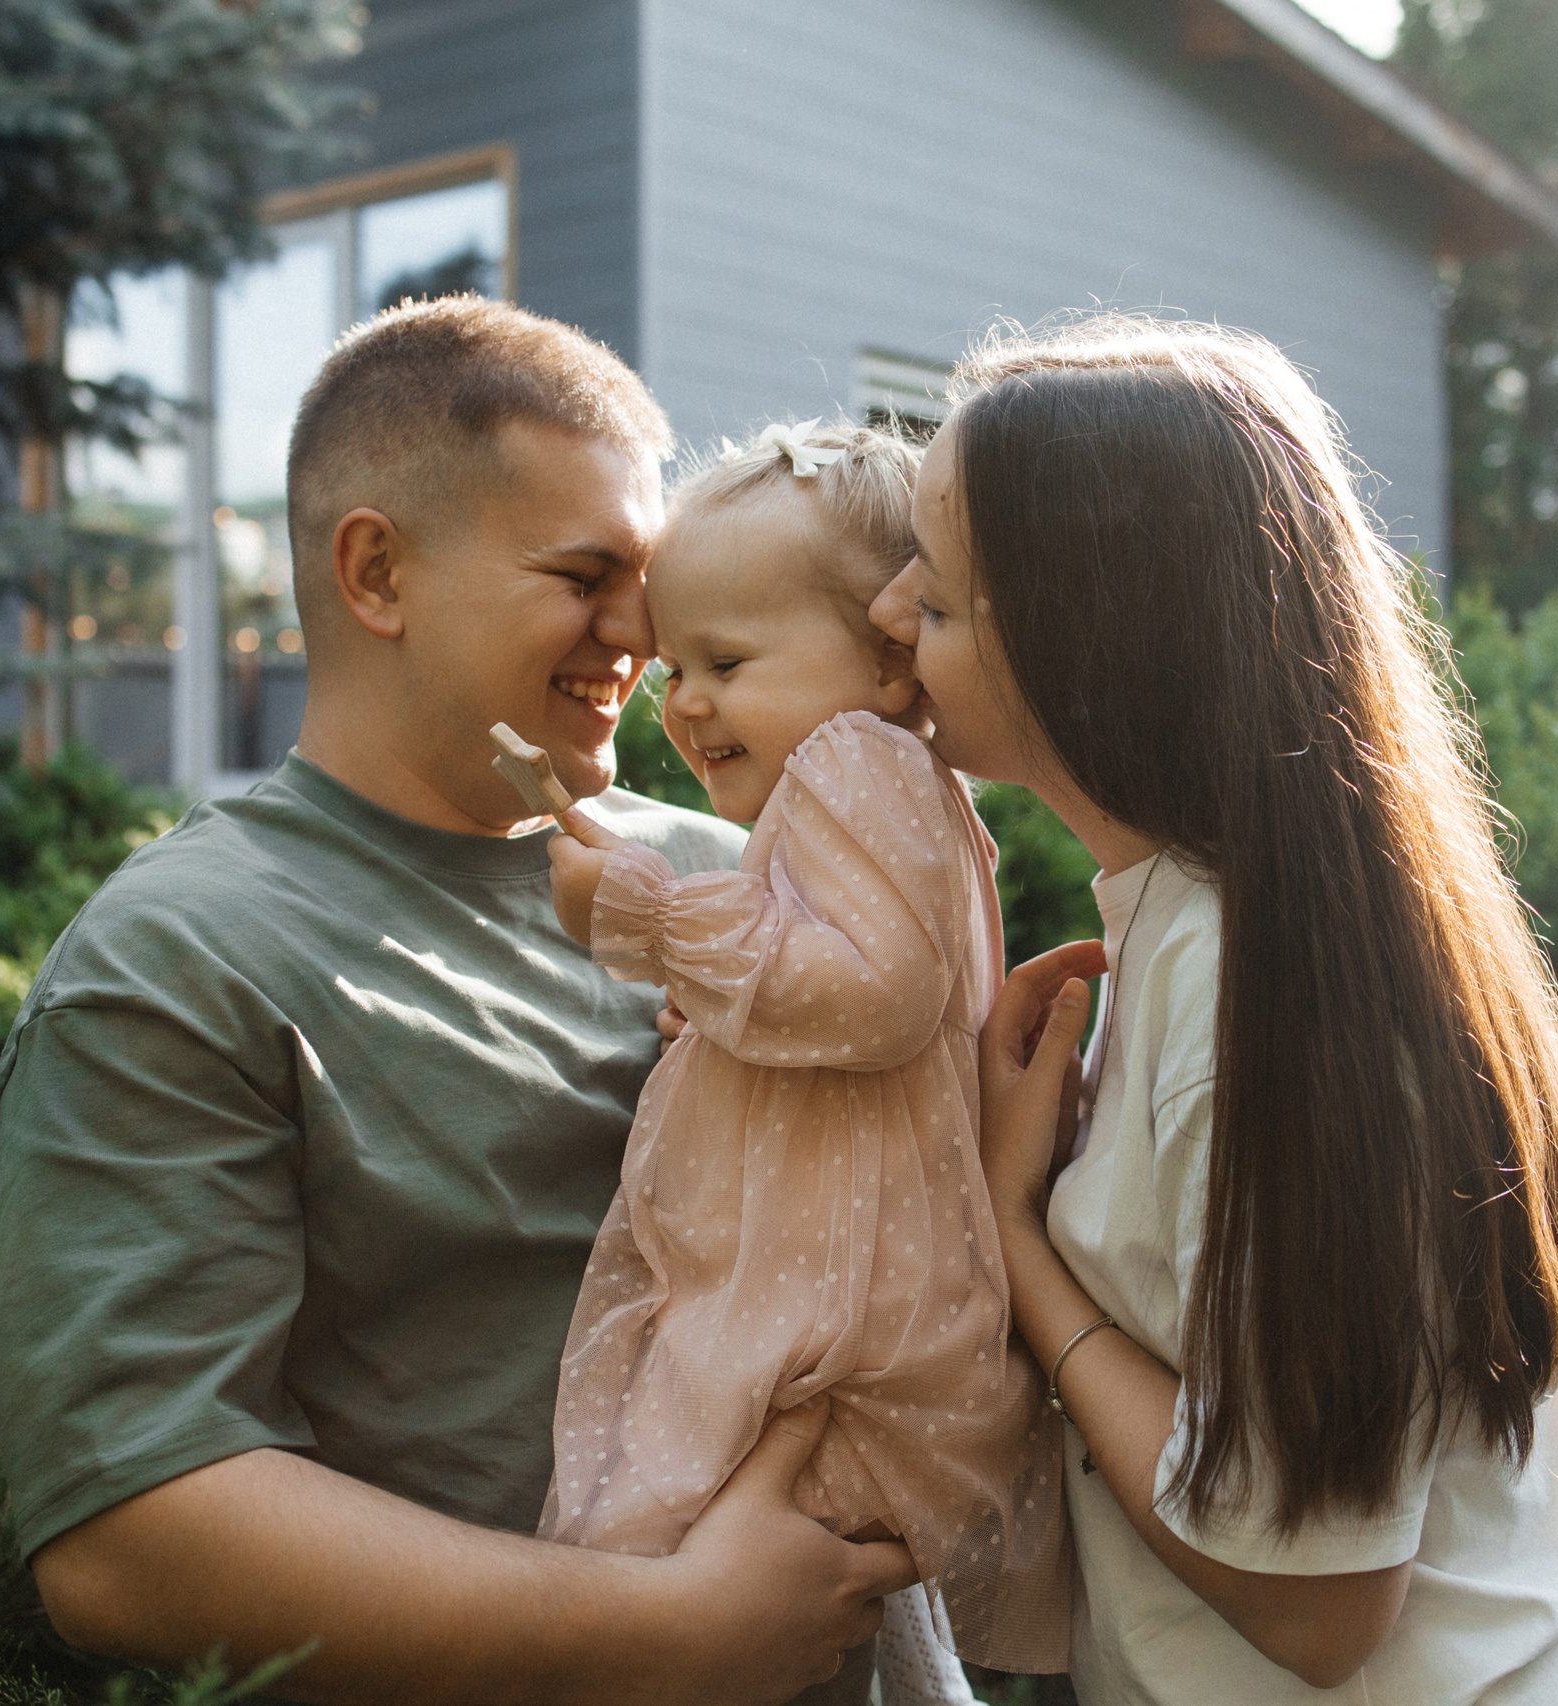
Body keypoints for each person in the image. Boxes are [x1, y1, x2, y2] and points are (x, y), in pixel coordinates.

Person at [0, 298, 917, 1706]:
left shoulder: (750, 869)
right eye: (584, 574)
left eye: (644, 581)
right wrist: (664, 1632)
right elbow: (131, 1528)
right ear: (376, 571)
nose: (641, 633)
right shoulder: (181, 959)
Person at [869, 316, 1558, 1703]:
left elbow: (1318, 1597)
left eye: (934, 595)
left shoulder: (1252, 986)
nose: (885, 612)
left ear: (1087, 634)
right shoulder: (1242, 930)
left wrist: (1019, 1240)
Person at [534, 423, 1067, 1689]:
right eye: (674, 666)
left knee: (626, 1577)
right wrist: (731, 1017)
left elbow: (876, 994)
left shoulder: (850, 761)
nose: (687, 702)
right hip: (843, 1328)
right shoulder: (877, 785)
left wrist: (650, 920)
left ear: (888, 667)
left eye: (725, 658)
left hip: (827, 1333)